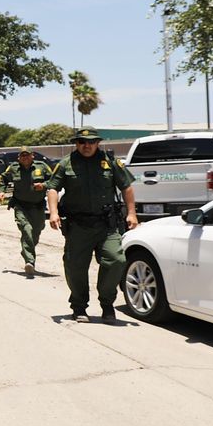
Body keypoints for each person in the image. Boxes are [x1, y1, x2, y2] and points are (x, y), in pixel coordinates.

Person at [46, 126, 137, 323]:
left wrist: (131, 213)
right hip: (78, 226)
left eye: (91, 142)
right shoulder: (66, 164)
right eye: (82, 142)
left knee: (116, 260)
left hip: (107, 225)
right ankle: (79, 307)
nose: (87, 145)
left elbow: (127, 187)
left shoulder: (110, 162)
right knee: (75, 267)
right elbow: (52, 189)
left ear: (98, 143)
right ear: (76, 143)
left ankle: (107, 304)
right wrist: (53, 212)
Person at [0, 147, 53, 275]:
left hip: (38, 206)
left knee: (36, 232)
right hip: (20, 205)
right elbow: (3, 178)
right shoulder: (14, 168)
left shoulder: (42, 166)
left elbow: (54, 180)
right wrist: (1, 191)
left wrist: (43, 185)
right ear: (18, 158)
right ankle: (29, 261)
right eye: (22, 156)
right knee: (27, 229)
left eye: (27, 155)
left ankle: (26, 249)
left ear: (32, 156)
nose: (25, 157)